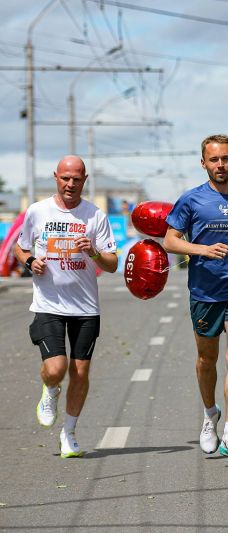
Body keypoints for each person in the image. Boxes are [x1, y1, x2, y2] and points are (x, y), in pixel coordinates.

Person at [163, 135, 228, 462]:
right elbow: (170, 241)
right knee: (206, 360)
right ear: (203, 163)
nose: (220, 165)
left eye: (225, 158)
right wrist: (202, 249)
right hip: (205, 291)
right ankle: (210, 413)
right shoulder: (191, 199)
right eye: (214, 160)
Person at [14, 155, 118, 458]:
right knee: (56, 368)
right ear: (56, 178)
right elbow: (20, 247)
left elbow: (112, 264)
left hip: (86, 308)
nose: (70, 184)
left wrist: (94, 252)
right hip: (49, 304)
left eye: (76, 179)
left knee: (80, 372)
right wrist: (30, 261)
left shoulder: (95, 215)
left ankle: (69, 434)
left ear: (85, 180)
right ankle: (50, 389)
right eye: (65, 178)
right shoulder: (37, 211)